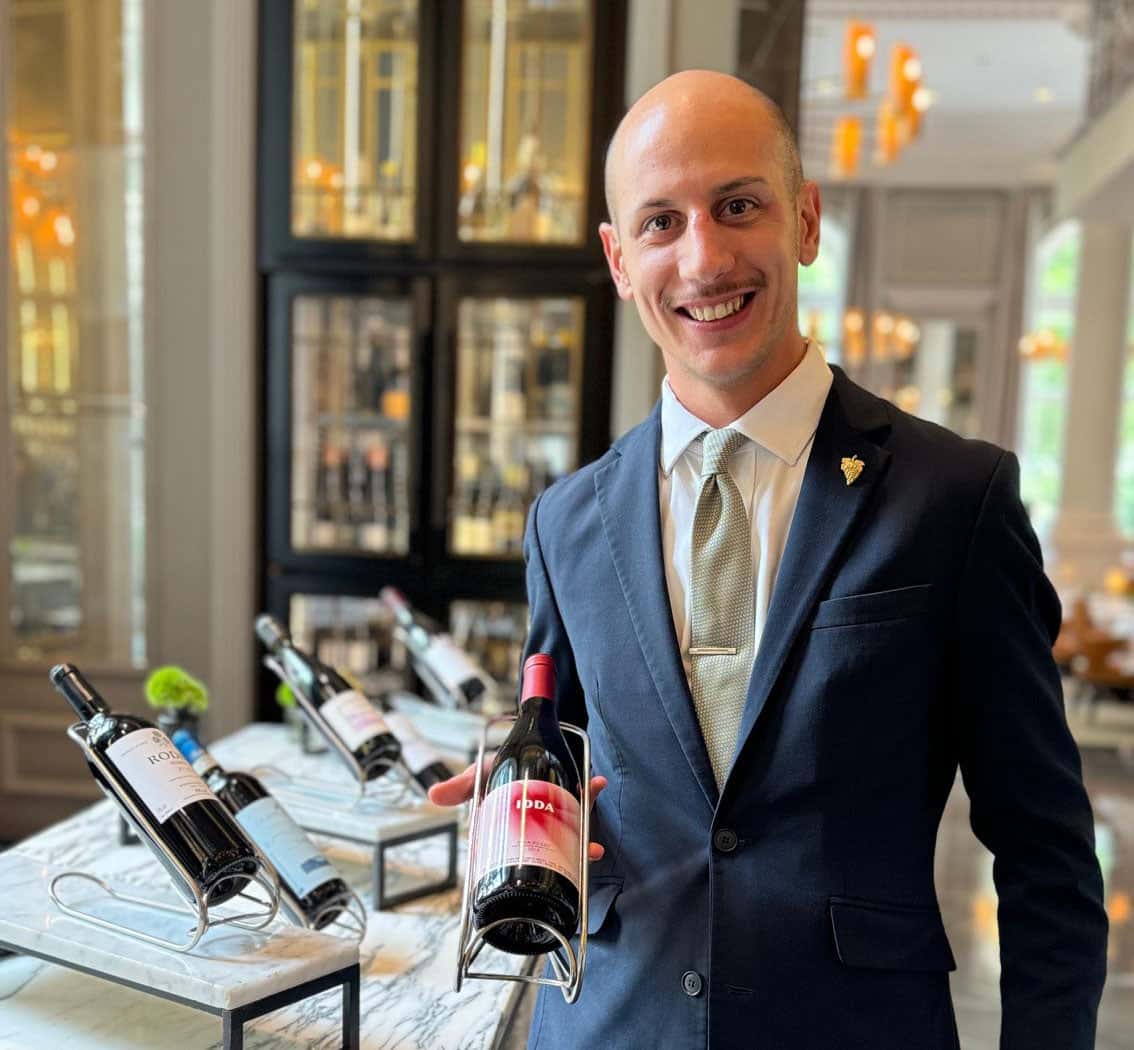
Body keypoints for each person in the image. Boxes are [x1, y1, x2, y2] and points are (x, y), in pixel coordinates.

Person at [432, 70, 1107, 1050]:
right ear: (620, 262)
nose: (703, 258)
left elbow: (1048, 855)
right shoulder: (564, 522)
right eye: (660, 223)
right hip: (613, 1026)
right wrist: (517, 806)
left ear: (805, 220)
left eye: (737, 206)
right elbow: (573, 759)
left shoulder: (954, 499)